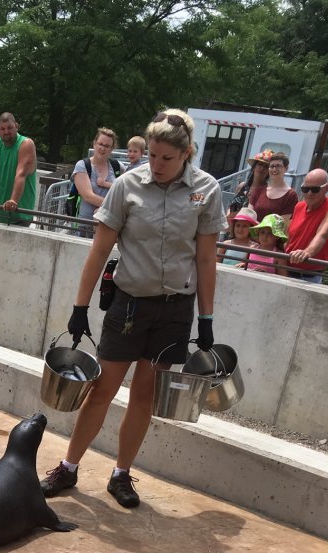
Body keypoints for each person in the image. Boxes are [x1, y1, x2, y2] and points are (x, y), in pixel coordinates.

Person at [40, 108, 225, 509]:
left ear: (187, 153)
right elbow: (100, 249)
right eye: (153, 155)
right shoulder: (127, 185)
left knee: (144, 395)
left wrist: (206, 319)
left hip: (176, 310)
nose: (157, 165)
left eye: (167, 158)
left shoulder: (206, 190)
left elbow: (206, 260)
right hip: (128, 307)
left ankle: (121, 474)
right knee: (103, 388)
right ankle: (69, 466)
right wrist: (79, 306)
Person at [286, 168, 328, 284]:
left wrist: (307, 252)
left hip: (308, 277)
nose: (309, 193)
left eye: (315, 189)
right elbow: (289, 238)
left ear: (326, 188)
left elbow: (323, 234)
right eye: (305, 189)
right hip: (285, 269)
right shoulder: (299, 206)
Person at [71, 128, 122, 237]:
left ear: (112, 149)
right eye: (100, 144)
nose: (102, 148)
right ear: (94, 144)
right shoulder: (83, 165)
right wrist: (114, 206)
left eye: (107, 146)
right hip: (85, 226)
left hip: (108, 226)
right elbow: (88, 196)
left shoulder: (117, 167)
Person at [249, 152, 298, 225]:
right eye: (272, 166)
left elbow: (282, 224)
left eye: (278, 166)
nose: (274, 169)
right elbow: (249, 215)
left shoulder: (291, 195)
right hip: (253, 234)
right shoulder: (258, 190)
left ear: (286, 168)